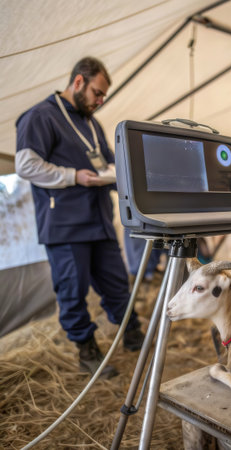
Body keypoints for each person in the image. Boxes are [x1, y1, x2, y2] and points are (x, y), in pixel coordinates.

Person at [15, 57, 144, 378]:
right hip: (65, 226)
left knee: (117, 283)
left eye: (103, 97)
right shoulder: (40, 116)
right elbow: (26, 165)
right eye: (97, 93)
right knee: (73, 291)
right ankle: (87, 351)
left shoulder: (91, 123)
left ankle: (133, 334)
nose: (100, 102)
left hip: (98, 219)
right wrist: (75, 176)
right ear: (77, 83)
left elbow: (112, 166)